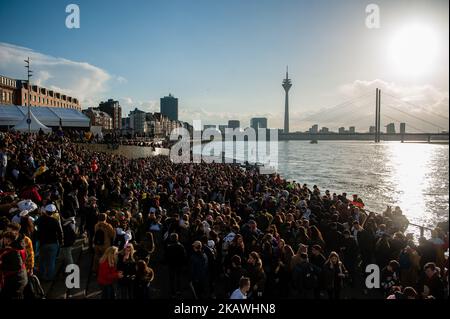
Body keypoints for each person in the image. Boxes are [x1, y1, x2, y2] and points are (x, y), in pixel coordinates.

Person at [36, 204, 63, 281]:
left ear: (46, 211)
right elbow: (60, 232)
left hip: (43, 243)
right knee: (51, 262)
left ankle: (42, 276)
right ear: (53, 212)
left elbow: (34, 226)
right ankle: (50, 277)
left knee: (42, 261)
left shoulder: (40, 219)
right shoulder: (55, 221)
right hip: (53, 243)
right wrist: (60, 242)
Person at [0, 231, 28, 299]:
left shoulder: (12, 251)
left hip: (15, 281)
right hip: (21, 277)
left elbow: (17, 266)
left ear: (8, 240)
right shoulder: (20, 248)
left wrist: (1, 265)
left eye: (4, 239)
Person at [165, 233, 187, 298]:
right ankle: (178, 290)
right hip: (179, 265)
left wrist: (167, 263)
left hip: (171, 265)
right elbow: (184, 256)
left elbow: (166, 256)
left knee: (172, 279)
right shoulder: (181, 246)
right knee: (178, 278)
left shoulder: (169, 247)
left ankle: (173, 293)